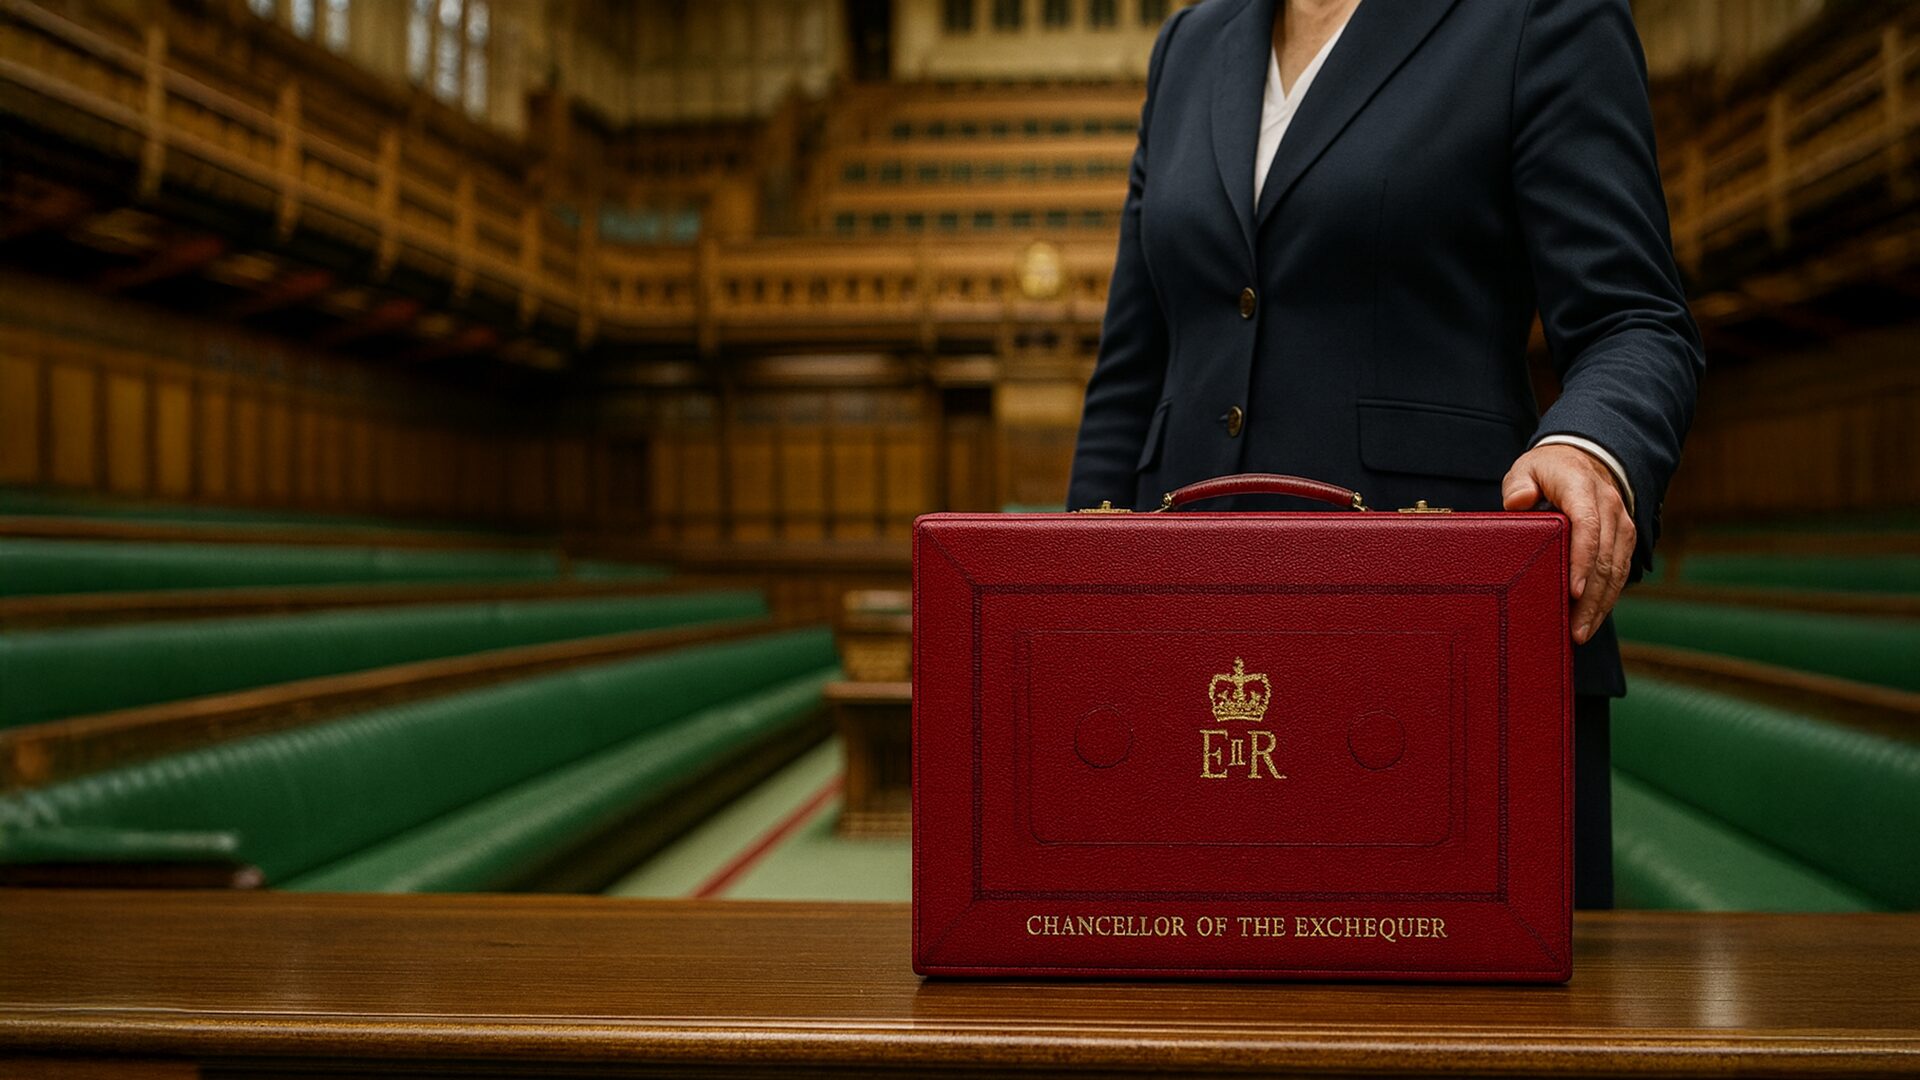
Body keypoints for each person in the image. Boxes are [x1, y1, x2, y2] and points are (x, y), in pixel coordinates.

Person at [1065, 0, 1705, 909]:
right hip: (1187, 660)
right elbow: (1132, 378)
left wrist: (1592, 443)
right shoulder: (1189, 43)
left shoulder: (1536, 16)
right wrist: (1071, 629)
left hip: (1437, 648)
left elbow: (1635, 320)